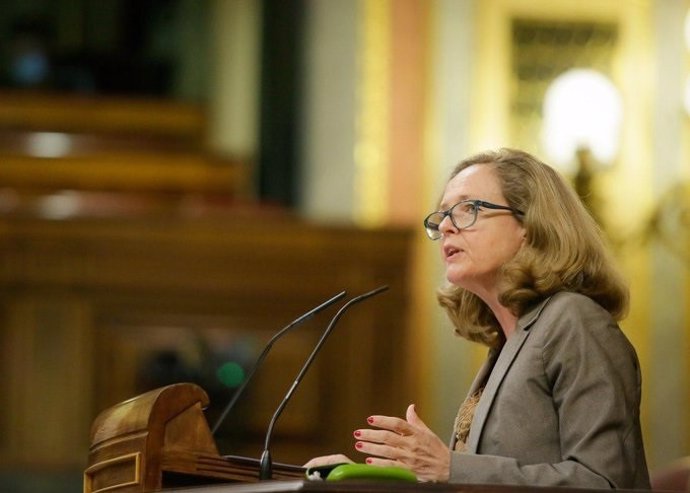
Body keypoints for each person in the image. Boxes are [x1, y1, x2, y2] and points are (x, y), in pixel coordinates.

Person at [305, 148, 651, 489]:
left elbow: (603, 482)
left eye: (468, 208)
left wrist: (448, 466)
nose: (447, 227)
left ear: (528, 225)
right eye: (441, 217)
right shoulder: (507, 342)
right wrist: (362, 482)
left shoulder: (574, 320)